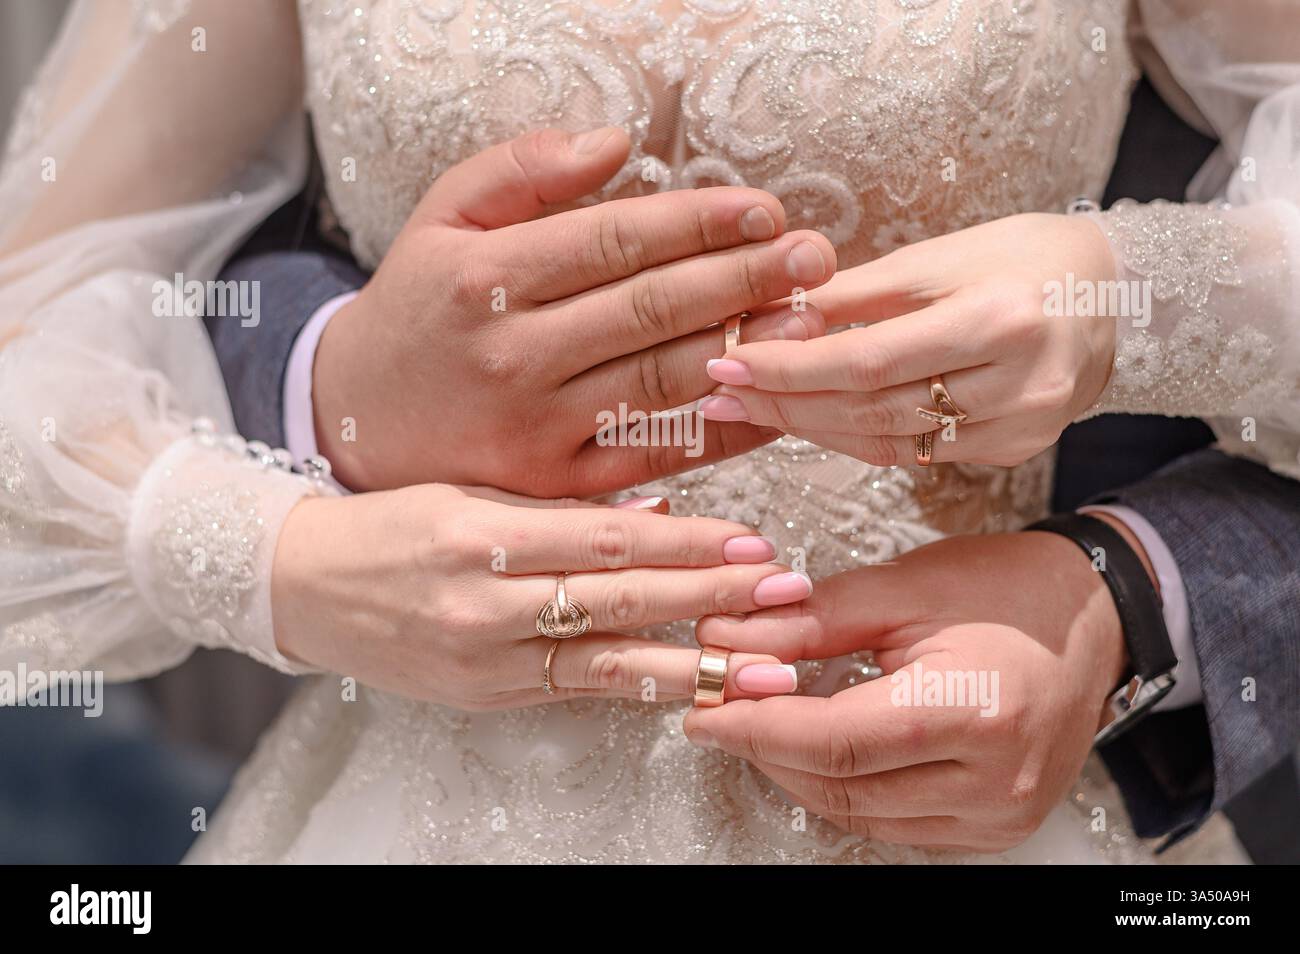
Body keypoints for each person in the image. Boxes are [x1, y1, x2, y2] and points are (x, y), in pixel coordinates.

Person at [1, 0, 1296, 862]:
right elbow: (32, 302)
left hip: (974, 778)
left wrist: (1127, 292)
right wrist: (275, 551)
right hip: (423, 798)